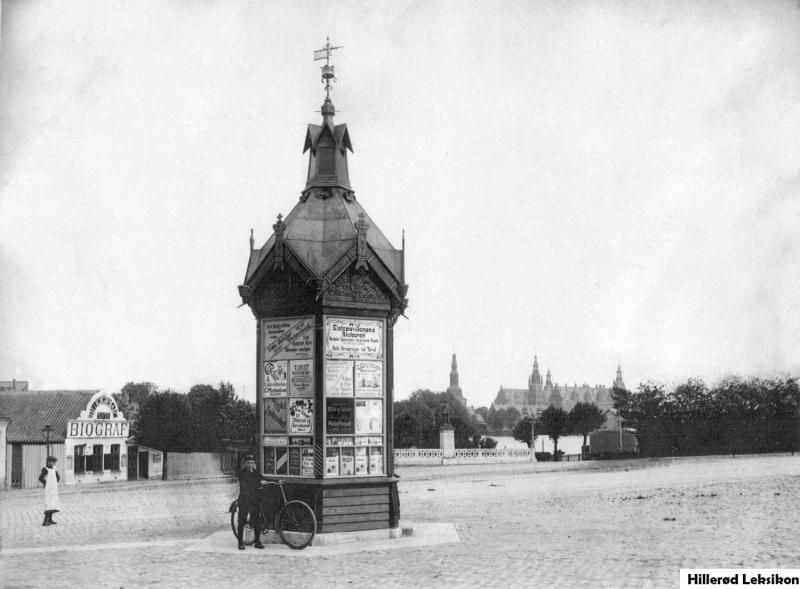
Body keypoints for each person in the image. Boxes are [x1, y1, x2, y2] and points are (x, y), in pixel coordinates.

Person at [237, 454, 267, 550]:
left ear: (254, 464)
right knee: (242, 521)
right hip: (244, 500)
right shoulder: (242, 473)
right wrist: (259, 483)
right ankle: (240, 543)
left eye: (252, 463)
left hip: (253, 501)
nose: (250, 464)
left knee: (257, 521)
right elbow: (248, 486)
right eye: (248, 463)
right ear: (245, 464)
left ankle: (257, 542)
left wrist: (277, 481)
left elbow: (263, 478)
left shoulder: (255, 472)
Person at [38, 456, 61, 526]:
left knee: (53, 503)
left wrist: (54, 482)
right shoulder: (45, 469)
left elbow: (58, 477)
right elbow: (40, 478)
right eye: (53, 462)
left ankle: (50, 519)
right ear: (48, 462)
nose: (54, 463)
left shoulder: (54, 469)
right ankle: (45, 521)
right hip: (48, 489)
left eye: (54, 462)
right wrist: (46, 483)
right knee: (48, 504)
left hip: (54, 489)